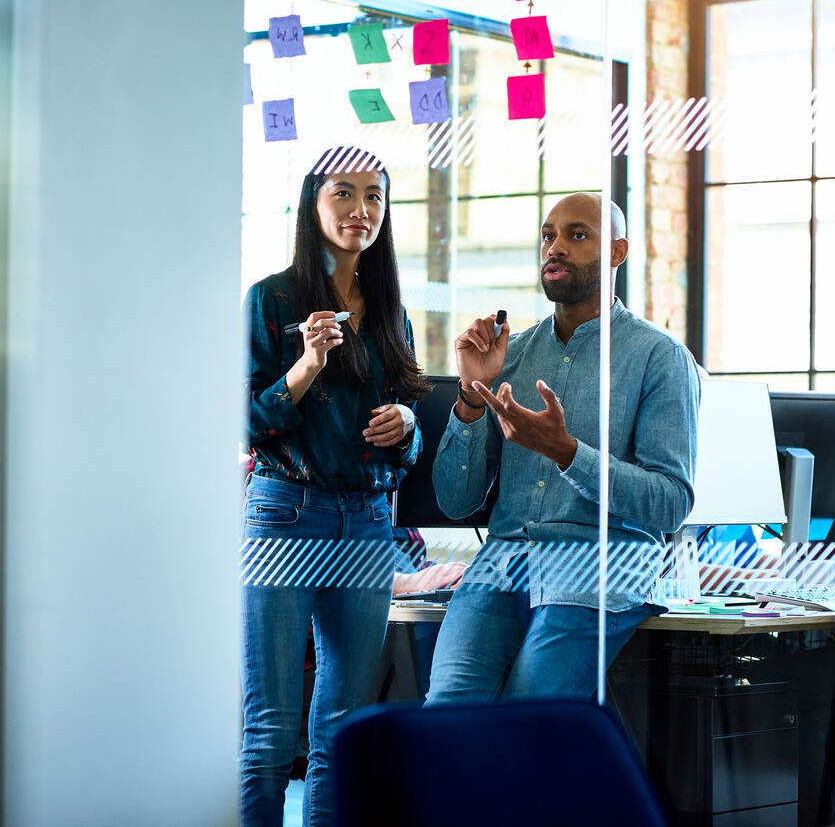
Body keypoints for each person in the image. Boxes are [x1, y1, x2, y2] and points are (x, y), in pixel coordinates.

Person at [424, 192, 700, 703]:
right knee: (447, 711)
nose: (555, 247)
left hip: (599, 565)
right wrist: (470, 395)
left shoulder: (659, 357)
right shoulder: (510, 355)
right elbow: (455, 502)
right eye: (548, 236)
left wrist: (568, 453)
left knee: (528, 714)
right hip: (502, 565)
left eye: (577, 235)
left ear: (616, 252)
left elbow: (670, 503)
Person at [240, 146, 433, 826]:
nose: (361, 209)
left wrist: (406, 424)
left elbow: (407, 448)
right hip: (285, 515)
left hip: (367, 523)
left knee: (341, 732)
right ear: (313, 205)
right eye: (344, 193)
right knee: (270, 732)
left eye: (374, 196)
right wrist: (307, 364)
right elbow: (246, 421)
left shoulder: (390, 312)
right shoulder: (271, 299)